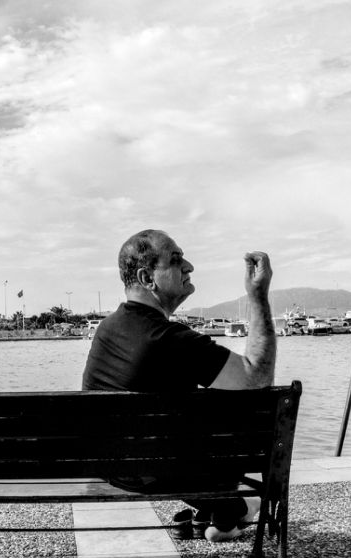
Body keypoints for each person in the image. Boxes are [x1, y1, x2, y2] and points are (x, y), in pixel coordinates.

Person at [82, 229, 276, 541]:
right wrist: (258, 296)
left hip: (115, 470)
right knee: (236, 417)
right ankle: (232, 510)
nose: (189, 266)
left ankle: (225, 512)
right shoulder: (170, 340)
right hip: (165, 474)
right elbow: (258, 376)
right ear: (147, 278)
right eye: (175, 260)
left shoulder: (107, 329)